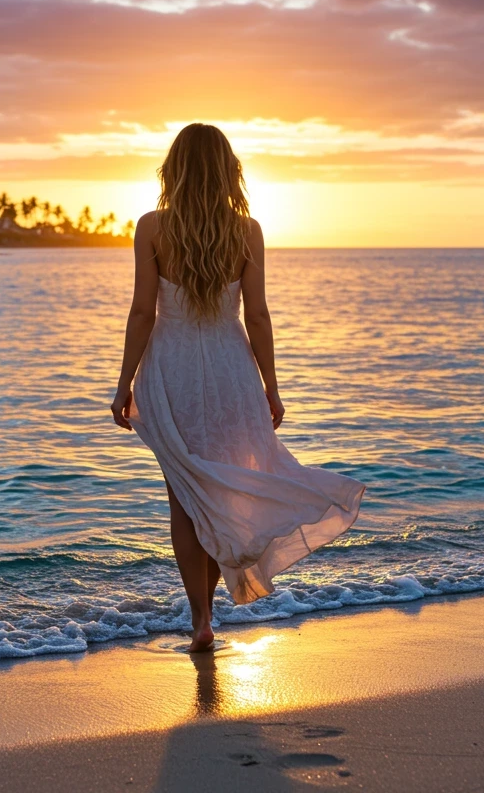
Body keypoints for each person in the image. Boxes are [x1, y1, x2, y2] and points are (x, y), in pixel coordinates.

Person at [110, 122, 366, 652]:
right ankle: (212, 611)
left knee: (184, 497)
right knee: (220, 487)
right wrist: (271, 386)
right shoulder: (245, 230)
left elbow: (141, 312)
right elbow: (259, 315)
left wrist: (124, 383)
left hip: (172, 370)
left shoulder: (151, 227)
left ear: (173, 169)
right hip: (230, 371)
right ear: (229, 170)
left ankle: (200, 619)